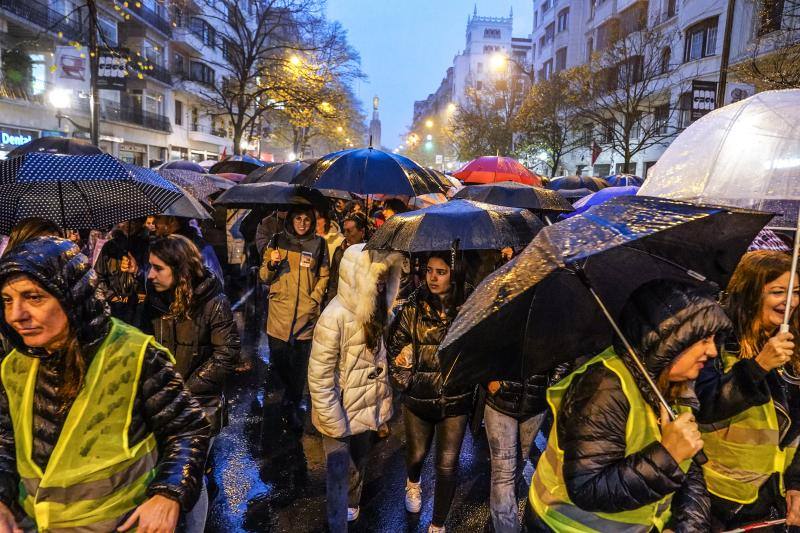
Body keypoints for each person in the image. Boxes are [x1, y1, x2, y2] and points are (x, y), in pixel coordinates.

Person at [0, 237, 210, 532]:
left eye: (34, 297)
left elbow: (188, 428)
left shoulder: (135, 355)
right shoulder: (13, 366)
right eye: (7, 300)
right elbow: (6, 442)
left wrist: (168, 493)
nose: (15, 315)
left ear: (72, 295)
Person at [526, 280, 730, 532]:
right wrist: (668, 456)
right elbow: (587, 488)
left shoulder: (676, 385)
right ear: (669, 339)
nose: (712, 351)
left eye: (713, 339)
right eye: (702, 339)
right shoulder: (604, 388)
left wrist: (688, 526)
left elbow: (688, 465)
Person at [695, 250, 800, 530]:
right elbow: (704, 405)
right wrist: (758, 366)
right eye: (778, 291)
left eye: (795, 291)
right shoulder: (715, 342)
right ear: (750, 292)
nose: (790, 301)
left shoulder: (793, 346)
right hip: (719, 498)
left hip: (774, 495)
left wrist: (796, 482)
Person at [143, 234, 240, 532]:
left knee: (190, 476)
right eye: (149, 267)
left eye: (158, 268)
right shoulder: (153, 297)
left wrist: (184, 389)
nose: (150, 274)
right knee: (163, 474)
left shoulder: (214, 302)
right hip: (160, 404)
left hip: (199, 407)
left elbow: (227, 354)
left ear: (180, 268)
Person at [308, 243, 404, 531]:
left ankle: (352, 504)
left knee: (359, 465)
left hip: (365, 407)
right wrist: (333, 421)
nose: (383, 282)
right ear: (358, 276)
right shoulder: (333, 317)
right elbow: (320, 376)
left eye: (387, 275)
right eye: (377, 276)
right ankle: (338, 522)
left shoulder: (378, 309)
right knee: (339, 472)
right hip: (339, 412)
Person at [388, 251, 474, 533]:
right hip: (419, 399)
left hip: (455, 400)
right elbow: (395, 346)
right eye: (429, 270)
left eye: (441, 271)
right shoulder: (413, 306)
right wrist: (403, 369)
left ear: (455, 274)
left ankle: (438, 524)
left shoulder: (470, 306)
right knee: (416, 455)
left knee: (447, 466)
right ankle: (413, 483)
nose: (433, 277)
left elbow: (480, 351)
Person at [260, 205, 330, 430]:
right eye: (298, 219)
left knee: (300, 366)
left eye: (307, 219)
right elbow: (264, 276)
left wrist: (314, 299)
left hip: (306, 315)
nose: (302, 223)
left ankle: (292, 401)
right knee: (279, 359)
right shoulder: (276, 241)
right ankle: (287, 395)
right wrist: (272, 263)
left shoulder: (319, 244)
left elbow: (324, 275)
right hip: (279, 312)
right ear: (291, 220)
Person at [484, 364, 570, 533]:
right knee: (503, 475)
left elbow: (563, 357)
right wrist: (489, 382)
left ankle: (499, 517)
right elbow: (481, 351)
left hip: (535, 406)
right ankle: (506, 525)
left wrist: (551, 383)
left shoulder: (549, 336)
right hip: (501, 403)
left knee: (518, 464)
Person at [95, 218, 150, 326]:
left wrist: (136, 270)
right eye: (123, 220)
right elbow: (99, 275)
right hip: (114, 307)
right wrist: (109, 296)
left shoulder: (148, 246)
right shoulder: (109, 247)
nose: (127, 225)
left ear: (141, 223)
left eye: (133, 221)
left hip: (140, 308)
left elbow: (151, 278)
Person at [153, 215, 224, 282]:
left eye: (158, 218)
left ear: (171, 220)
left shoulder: (188, 248)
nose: (154, 222)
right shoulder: (180, 243)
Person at [324, 212, 368, 308]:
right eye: (344, 231)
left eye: (349, 231)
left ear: (362, 232)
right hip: (337, 304)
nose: (345, 234)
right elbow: (332, 282)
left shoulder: (369, 254)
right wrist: (329, 304)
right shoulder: (339, 251)